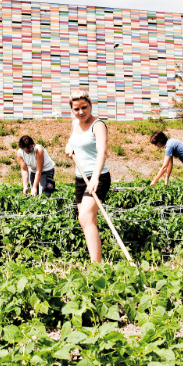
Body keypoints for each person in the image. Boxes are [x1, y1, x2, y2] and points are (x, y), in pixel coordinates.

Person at [64, 90, 110, 263]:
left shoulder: (98, 125)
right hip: (80, 178)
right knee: (87, 221)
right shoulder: (75, 123)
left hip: (98, 177)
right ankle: (97, 261)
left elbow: (102, 151)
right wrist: (69, 146)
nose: (81, 112)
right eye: (76, 109)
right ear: (72, 110)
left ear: (90, 106)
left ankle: (95, 266)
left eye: (84, 107)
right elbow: (72, 140)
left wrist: (95, 178)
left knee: (84, 217)